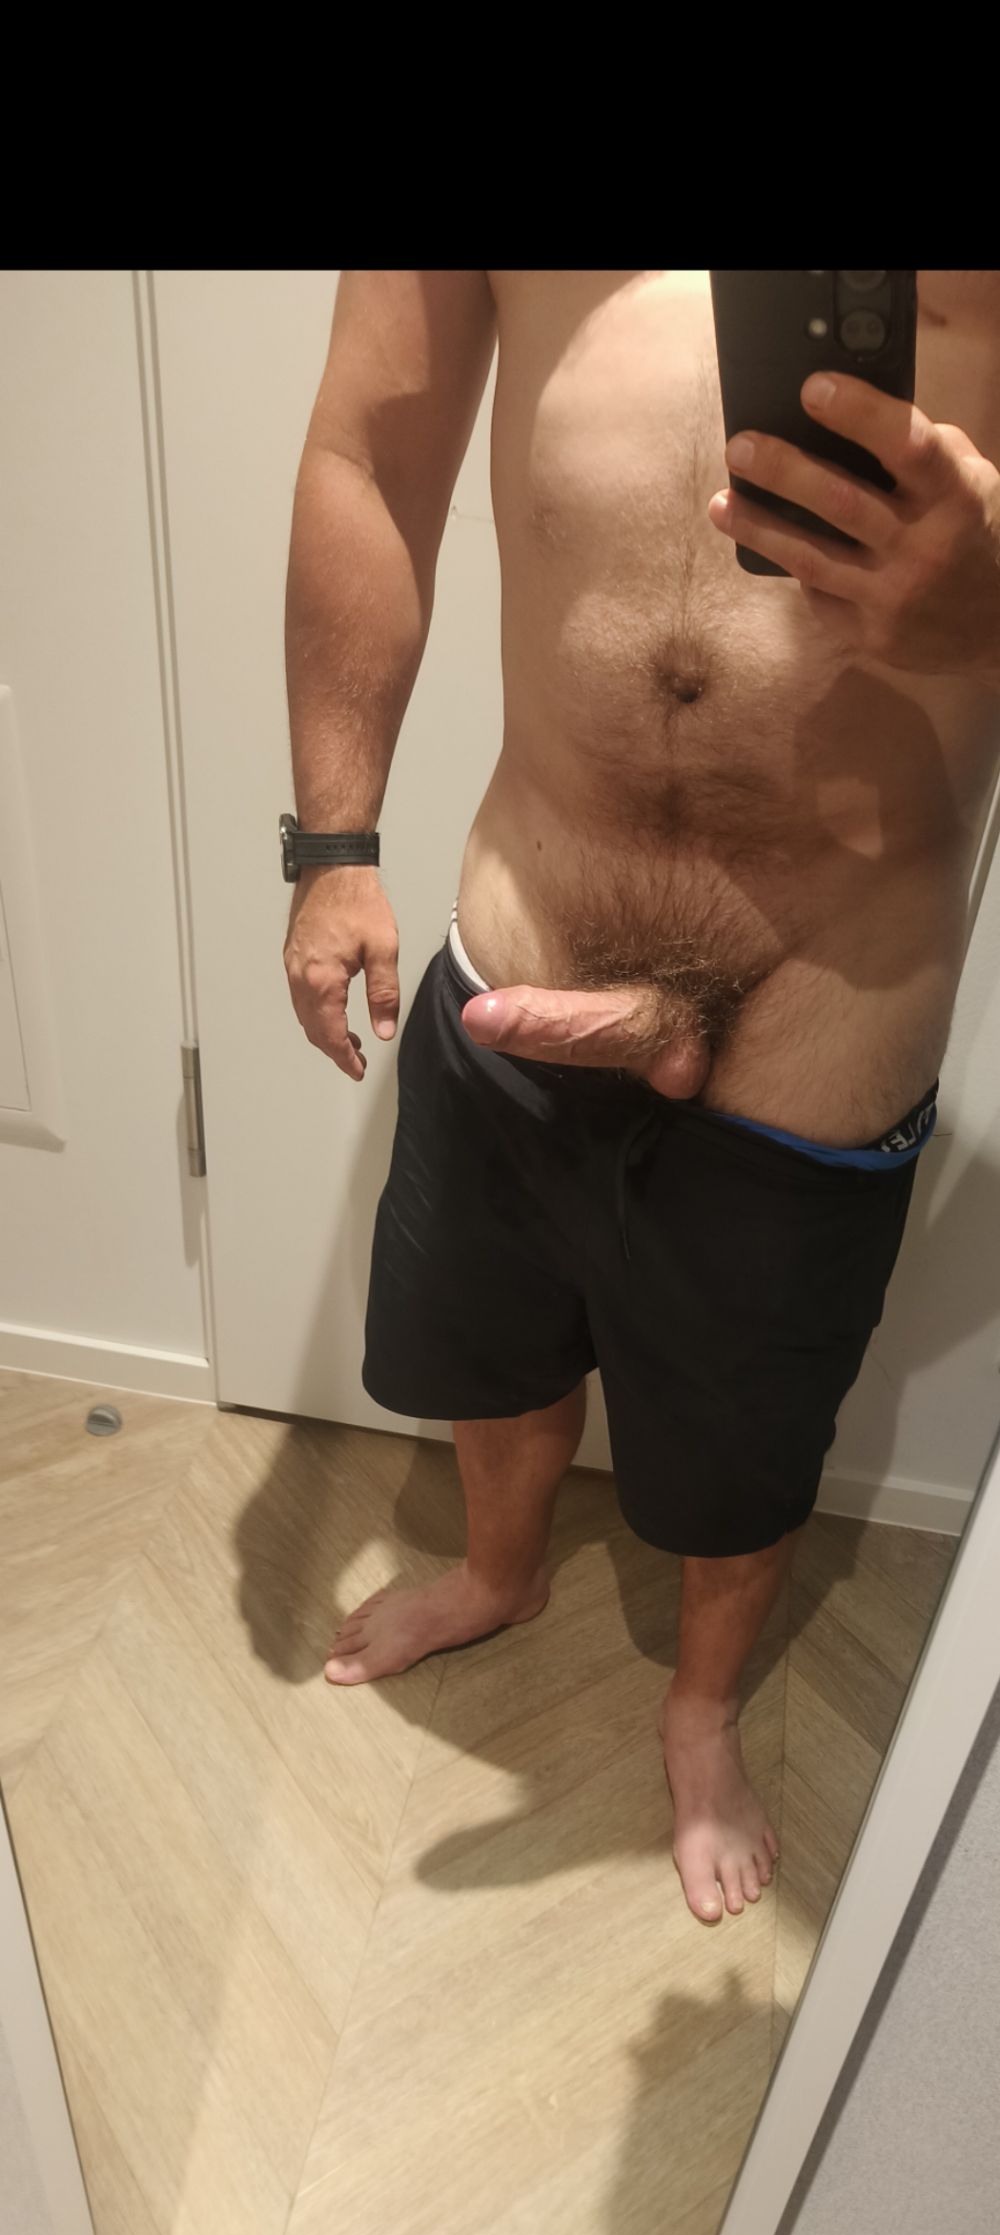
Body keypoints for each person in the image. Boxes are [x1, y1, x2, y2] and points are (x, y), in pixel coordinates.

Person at [283, 270, 1000, 1925]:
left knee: (747, 1435)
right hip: (527, 924)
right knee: (493, 1337)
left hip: (829, 996)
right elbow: (369, 453)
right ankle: (499, 1570)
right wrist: (332, 843)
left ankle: (702, 1706)